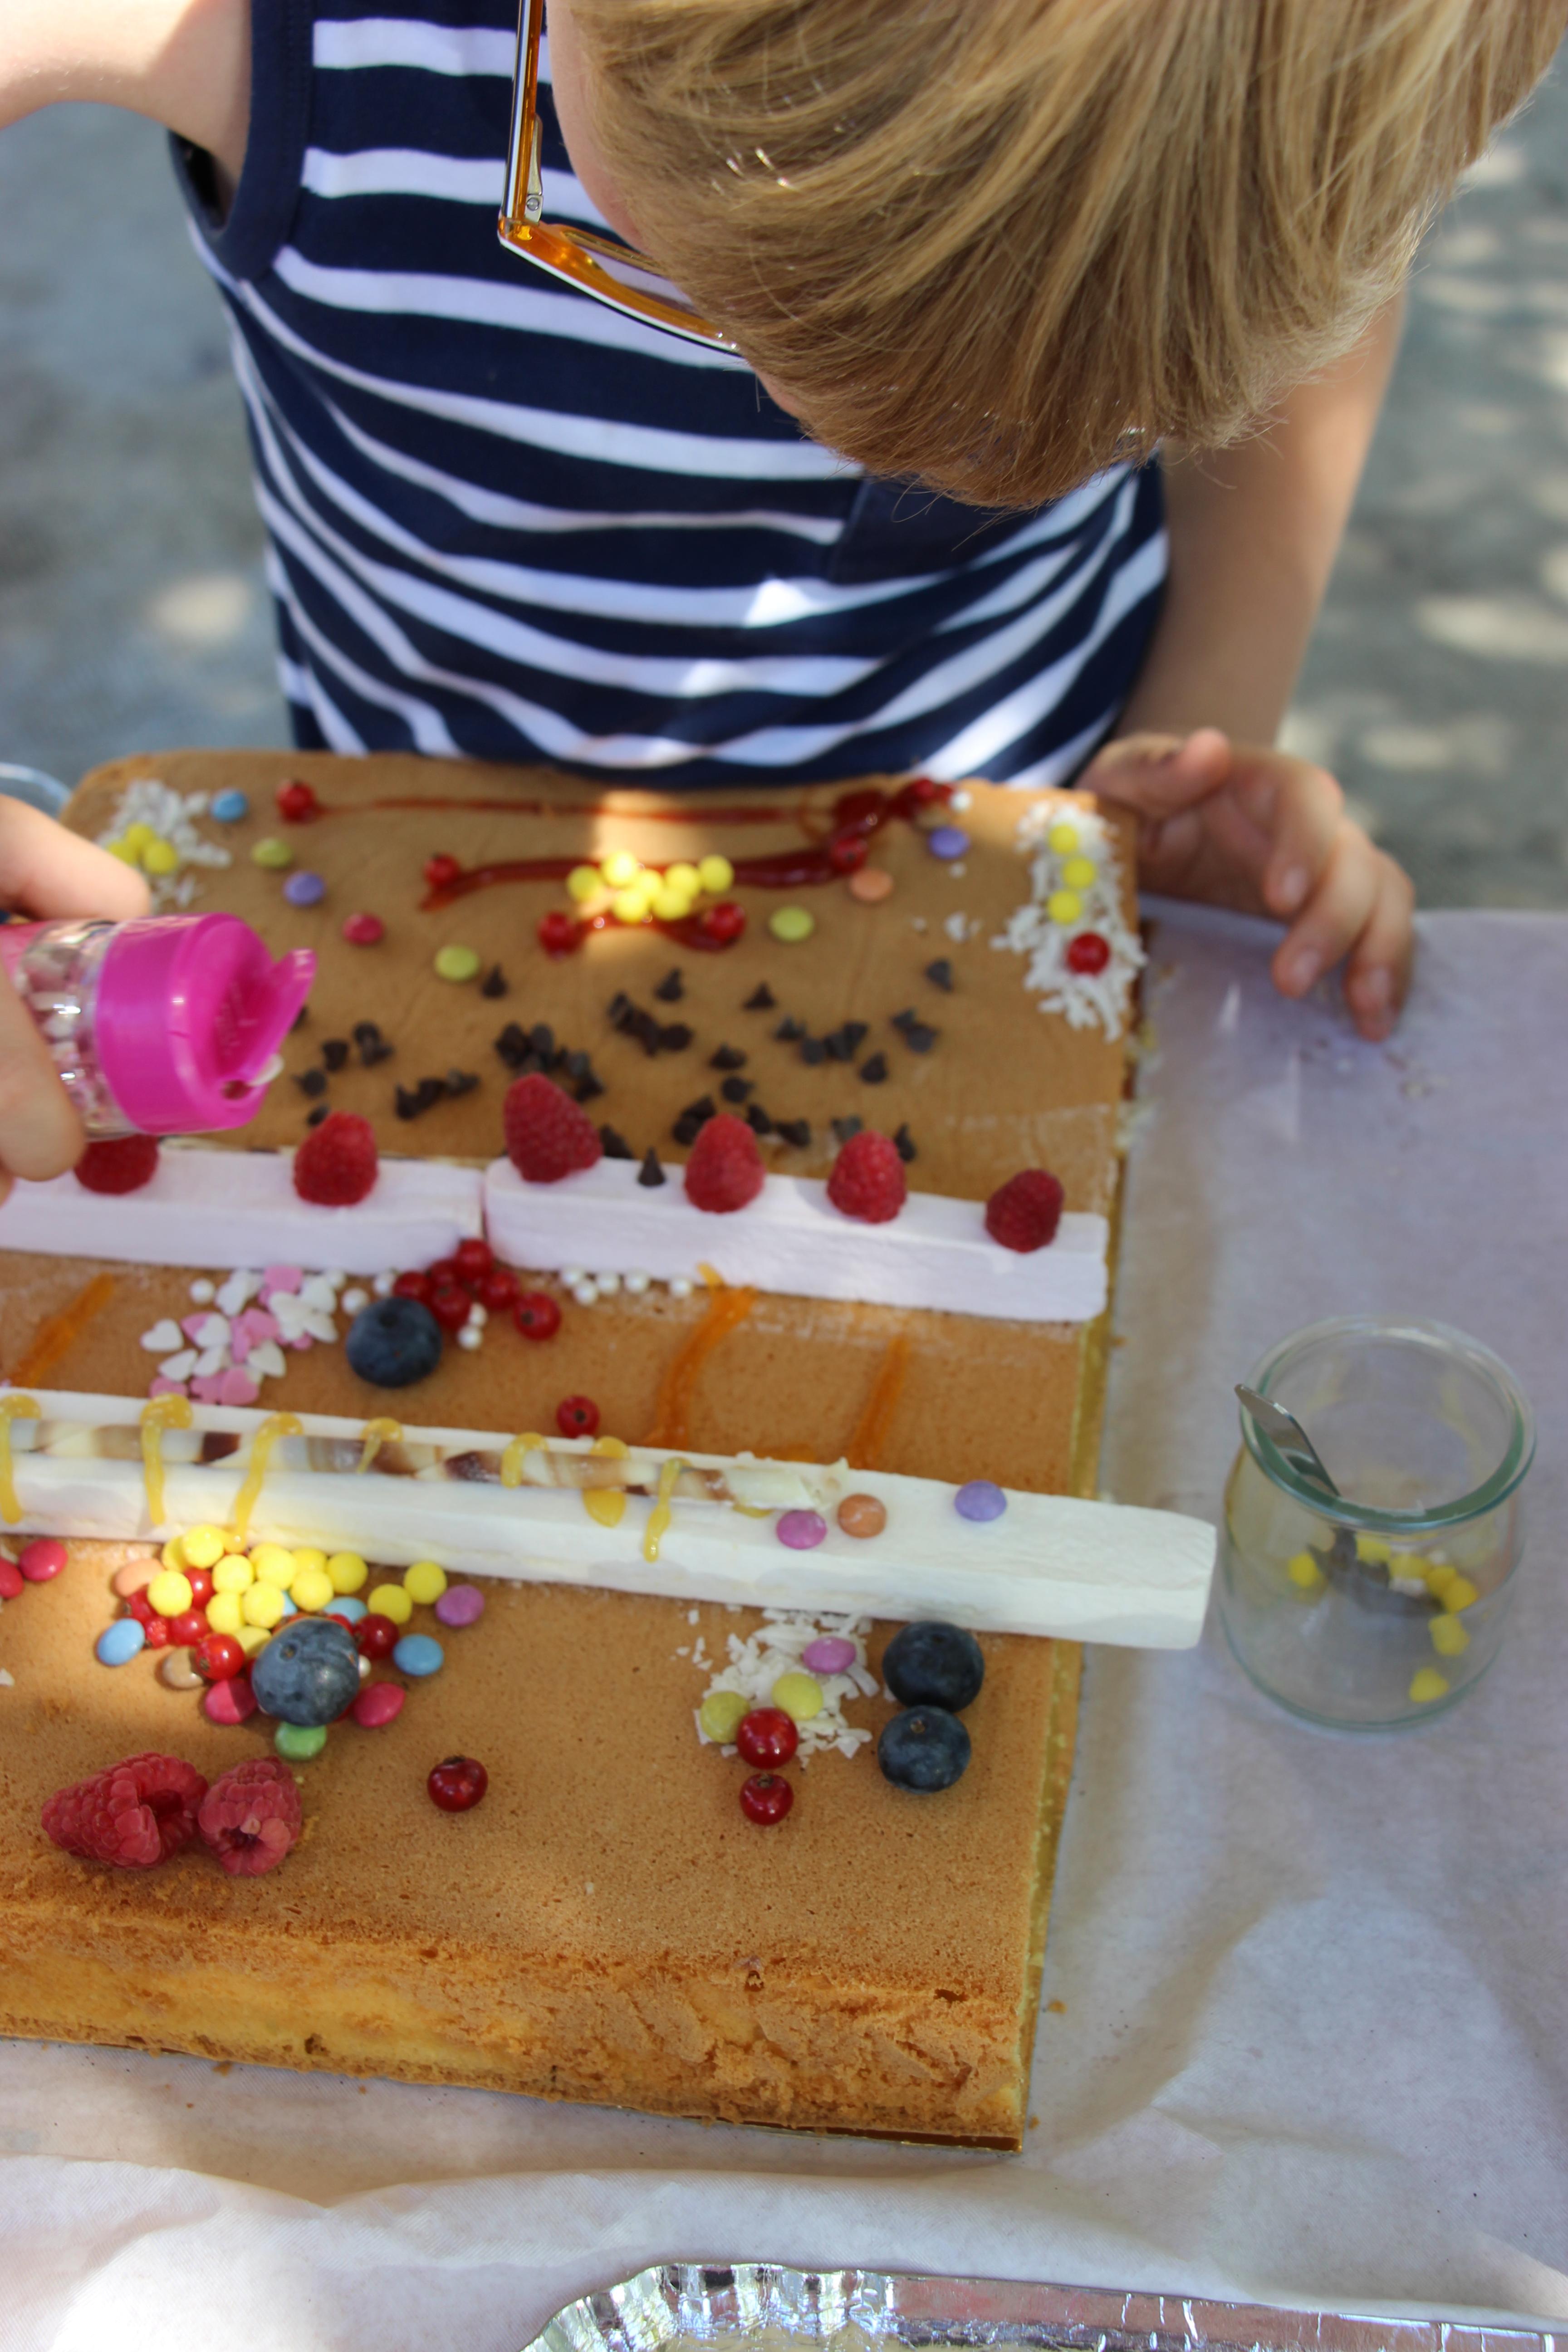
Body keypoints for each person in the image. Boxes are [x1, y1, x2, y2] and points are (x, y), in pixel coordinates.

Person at [0, 0, 1561, 1200]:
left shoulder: (1289, 89)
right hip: (418, 857)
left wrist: (1208, 710)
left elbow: (1326, 275)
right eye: (709, 298)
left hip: (1003, 821)